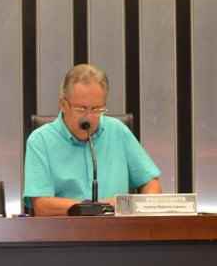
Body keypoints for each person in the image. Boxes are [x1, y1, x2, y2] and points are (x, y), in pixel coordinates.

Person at [24, 64, 161, 216]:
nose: (88, 117)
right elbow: (42, 205)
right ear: (63, 105)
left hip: (117, 228)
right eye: (81, 109)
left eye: (96, 109)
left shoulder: (118, 131)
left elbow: (151, 183)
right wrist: (95, 208)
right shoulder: (40, 140)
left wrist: (141, 207)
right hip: (65, 229)